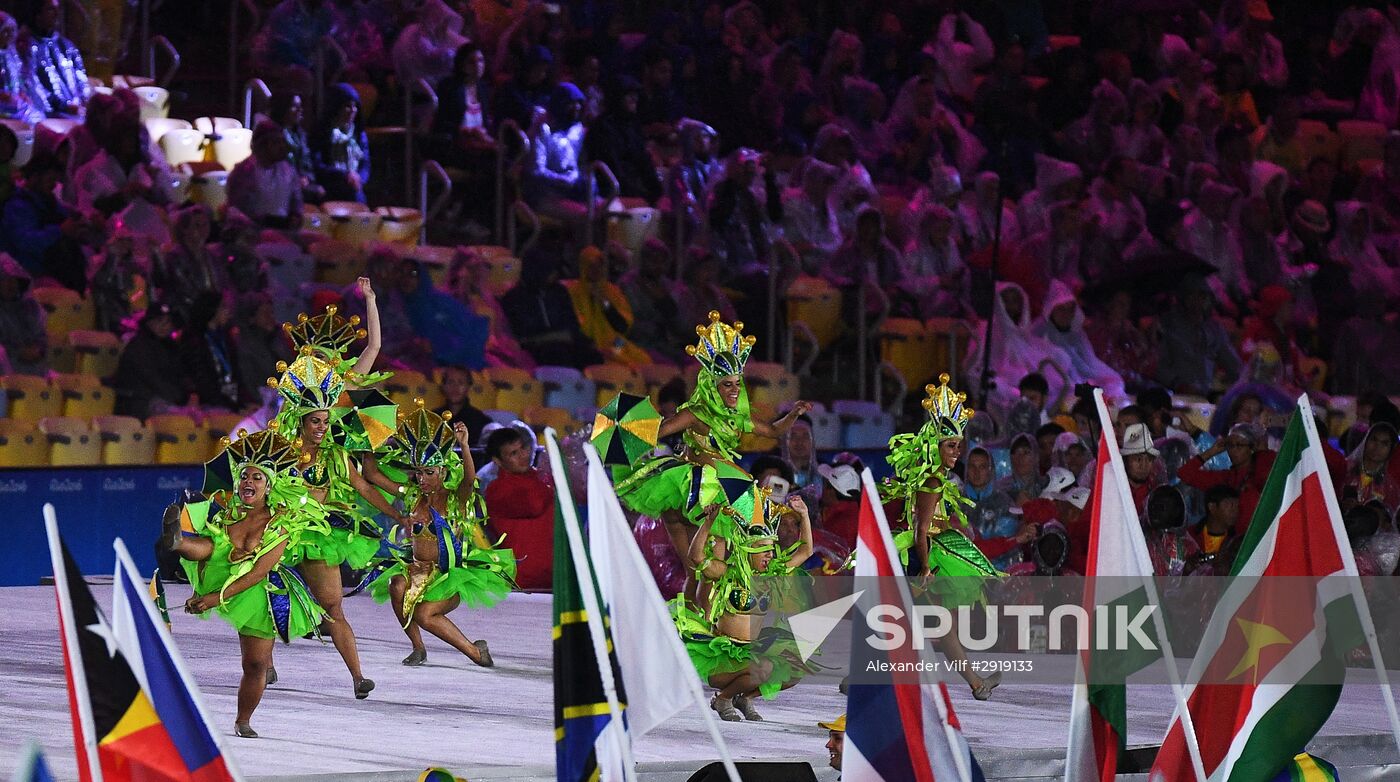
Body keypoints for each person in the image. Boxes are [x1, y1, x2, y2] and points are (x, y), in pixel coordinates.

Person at [611, 311, 812, 575]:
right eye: (727, 384)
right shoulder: (695, 413)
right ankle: (703, 613)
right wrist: (626, 426)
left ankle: (706, 613)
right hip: (693, 489)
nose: (734, 391)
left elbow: (774, 431)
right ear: (711, 385)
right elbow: (660, 430)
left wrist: (794, 414)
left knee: (702, 572)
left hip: (720, 488)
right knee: (701, 568)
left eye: (737, 384)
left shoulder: (737, 415)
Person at [158, 430, 326, 738]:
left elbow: (257, 573)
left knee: (254, 665)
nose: (248, 482)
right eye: (244, 476)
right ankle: (177, 542)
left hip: (256, 593)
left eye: (257, 478)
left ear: (269, 486)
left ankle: (243, 720)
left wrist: (212, 599)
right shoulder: (228, 512)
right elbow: (211, 561)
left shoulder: (280, 524)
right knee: (213, 545)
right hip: (222, 570)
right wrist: (200, 591)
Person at [882, 374, 1002, 699]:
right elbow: (920, 529)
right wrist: (925, 569)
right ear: (935, 444)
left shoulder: (934, 476)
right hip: (922, 558)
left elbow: (932, 524)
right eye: (951, 445)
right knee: (914, 624)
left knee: (924, 624)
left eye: (959, 446)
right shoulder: (933, 481)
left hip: (928, 555)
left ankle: (976, 683)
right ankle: (975, 683)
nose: (956, 452)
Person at [368, 406, 513, 668]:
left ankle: (475, 651)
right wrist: (368, 437)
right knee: (396, 585)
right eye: (419, 472)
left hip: (449, 576)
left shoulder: (455, 500)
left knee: (425, 614)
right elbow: (373, 475)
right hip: (417, 571)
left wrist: (465, 447)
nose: (422, 479)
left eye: (429, 473)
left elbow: (469, 479)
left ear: (443, 473)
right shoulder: (412, 495)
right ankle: (418, 647)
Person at [680, 488, 814, 721]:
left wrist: (804, 516)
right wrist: (709, 522)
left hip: (752, 653)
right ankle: (723, 699)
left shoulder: (773, 574)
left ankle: (746, 697)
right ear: (747, 549)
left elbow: (805, 551)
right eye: (762, 550)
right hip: (723, 659)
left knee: (795, 669)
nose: (769, 556)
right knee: (763, 667)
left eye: (771, 550)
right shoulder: (726, 573)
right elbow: (697, 557)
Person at [500, 247, 603, 369]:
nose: (554, 274)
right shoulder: (514, 298)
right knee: (559, 355)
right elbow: (520, 335)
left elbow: (572, 324)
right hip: (537, 347)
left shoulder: (559, 292)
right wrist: (554, 336)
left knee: (594, 356)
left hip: (572, 342)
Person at [482, 425, 554, 590]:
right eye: (513, 453)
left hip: (554, 577)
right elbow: (534, 505)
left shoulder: (540, 477)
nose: (523, 455)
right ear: (497, 461)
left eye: (523, 448)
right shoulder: (497, 490)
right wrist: (552, 478)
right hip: (522, 582)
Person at [1178, 422, 1277, 536]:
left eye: (1239, 445)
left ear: (1251, 447)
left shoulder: (1264, 468)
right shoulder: (1226, 478)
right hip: (1236, 544)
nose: (1233, 451)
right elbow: (1184, 474)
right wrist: (1211, 452)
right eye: (1230, 445)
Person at [564, 246, 650, 368]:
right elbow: (575, 327)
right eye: (590, 265)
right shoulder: (572, 291)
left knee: (644, 361)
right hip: (587, 348)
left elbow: (623, 327)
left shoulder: (613, 291)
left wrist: (603, 301)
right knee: (610, 365)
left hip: (615, 343)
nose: (595, 270)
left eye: (599, 265)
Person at [583, 77, 661, 202]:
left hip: (634, 190)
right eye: (629, 94)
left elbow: (644, 162)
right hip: (611, 192)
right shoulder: (602, 128)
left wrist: (657, 192)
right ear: (617, 97)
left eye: (635, 94)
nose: (634, 98)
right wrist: (641, 195)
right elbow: (612, 170)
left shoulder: (632, 126)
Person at [112, 303, 189, 418]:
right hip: (138, 402)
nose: (164, 326)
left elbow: (180, 376)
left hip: (162, 399)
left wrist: (189, 395)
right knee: (181, 419)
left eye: (168, 322)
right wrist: (178, 398)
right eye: (159, 321)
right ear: (148, 322)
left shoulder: (171, 347)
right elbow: (151, 378)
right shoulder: (138, 346)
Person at [227, 121, 304, 230]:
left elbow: (297, 204)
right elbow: (241, 212)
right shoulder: (243, 172)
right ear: (261, 145)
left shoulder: (289, 171)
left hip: (285, 233)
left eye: (283, 142)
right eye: (276, 142)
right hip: (252, 235)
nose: (282, 147)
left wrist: (296, 217)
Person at [180, 291, 249, 413]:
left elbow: (236, 374)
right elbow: (202, 380)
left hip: (231, 399)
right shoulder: (194, 340)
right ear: (211, 310)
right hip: (211, 407)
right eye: (223, 307)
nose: (228, 311)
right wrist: (233, 407)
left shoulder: (225, 338)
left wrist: (245, 401)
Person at [619, 239, 685, 363]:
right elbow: (626, 324)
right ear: (643, 260)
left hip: (664, 345)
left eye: (662, 262)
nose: (658, 266)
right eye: (654, 261)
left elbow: (679, 324)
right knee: (669, 367)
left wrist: (664, 302)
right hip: (635, 344)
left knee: (695, 365)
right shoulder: (627, 285)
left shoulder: (668, 286)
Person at [22, 0, 90, 118]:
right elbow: (32, 85)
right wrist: (63, 106)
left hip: (76, 110)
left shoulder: (66, 45)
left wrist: (85, 98)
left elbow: (80, 76)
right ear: (37, 14)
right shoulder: (25, 45)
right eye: (50, 9)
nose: (56, 14)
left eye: (58, 9)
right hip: (46, 114)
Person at [311, 84, 370, 203]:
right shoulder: (323, 132)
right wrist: (344, 175)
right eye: (348, 106)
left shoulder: (358, 134)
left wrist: (358, 179)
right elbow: (316, 164)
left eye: (355, 106)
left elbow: (365, 163)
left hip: (354, 186)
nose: (353, 111)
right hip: (331, 185)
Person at [0, 253, 46, 375]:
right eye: (5, 280)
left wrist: (39, 349)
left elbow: (40, 336)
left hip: (35, 368)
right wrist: (18, 352)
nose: (11, 284)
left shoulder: (31, 307)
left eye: (14, 280)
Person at [0, 12, 42, 124]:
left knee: (38, 117)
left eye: (12, 30)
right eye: (5, 31)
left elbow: (18, 77)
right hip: (3, 104)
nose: (9, 34)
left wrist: (23, 92)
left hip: (14, 102)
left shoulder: (11, 54)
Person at [437, 365, 492, 446]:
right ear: (443, 386)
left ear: (468, 386)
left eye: (461, 382)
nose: (455, 387)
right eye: (451, 382)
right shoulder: (432, 418)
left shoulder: (481, 421)